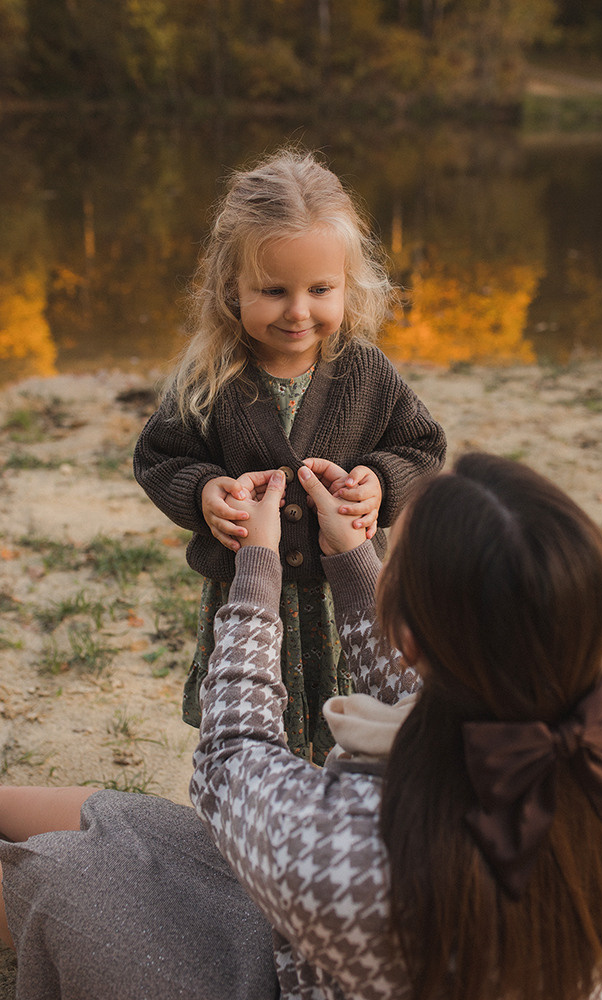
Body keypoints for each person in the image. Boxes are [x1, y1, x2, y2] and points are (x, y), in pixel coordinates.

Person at [1, 453, 602, 1000]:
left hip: (328, 949)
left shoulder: (353, 851)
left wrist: (255, 569)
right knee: (119, 821)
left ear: (408, 630)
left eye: (392, 558)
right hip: (387, 944)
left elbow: (232, 757)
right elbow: (435, 681)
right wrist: (354, 561)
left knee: (62, 876)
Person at [132, 146, 446, 763]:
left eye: (320, 289)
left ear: (348, 285)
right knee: (254, 729)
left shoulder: (364, 370)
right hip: (251, 597)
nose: (298, 311)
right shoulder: (210, 378)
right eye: (274, 290)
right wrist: (203, 492)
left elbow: (423, 445)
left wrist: (380, 483)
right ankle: (255, 806)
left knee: (350, 731)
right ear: (231, 287)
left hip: (343, 600)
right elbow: (159, 456)